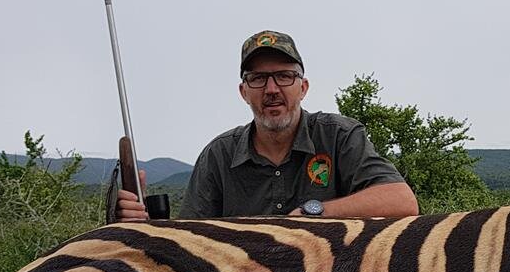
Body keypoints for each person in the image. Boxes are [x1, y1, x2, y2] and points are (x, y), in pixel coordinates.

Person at [114, 30, 419, 221]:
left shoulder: (339, 136)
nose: (272, 89)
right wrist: (139, 228)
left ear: (303, 87)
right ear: (243, 92)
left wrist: (314, 212)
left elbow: (401, 201)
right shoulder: (218, 155)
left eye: (284, 76)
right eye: (257, 79)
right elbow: (189, 239)